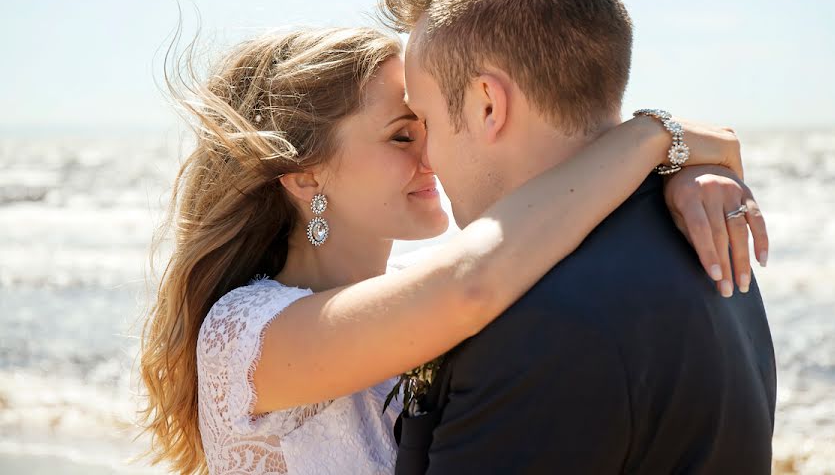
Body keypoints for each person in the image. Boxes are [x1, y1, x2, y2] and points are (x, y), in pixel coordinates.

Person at [140, 23, 764, 472]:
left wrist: (679, 181)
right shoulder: (242, 337)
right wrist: (653, 138)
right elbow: (474, 281)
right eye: (400, 136)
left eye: (429, 126)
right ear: (306, 176)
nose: (433, 154)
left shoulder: (426, 279)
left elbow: (536, 230)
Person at [379, 0, 777, 474]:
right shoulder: (706, 235)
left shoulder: (538, 325)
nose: (426, 157)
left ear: (487, 104)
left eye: (425, 120)